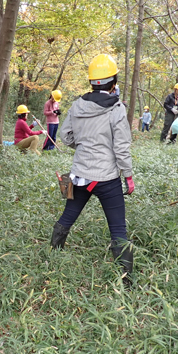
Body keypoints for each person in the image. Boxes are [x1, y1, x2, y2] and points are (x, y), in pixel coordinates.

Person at [51, 54, 134, 287]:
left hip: (80, 175)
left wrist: (83, 145)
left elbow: (65, 135)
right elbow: (122, 147)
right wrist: (128, 176)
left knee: (69, 215)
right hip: (107, 178)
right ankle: (126, 280)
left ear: (92, 82)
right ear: (113, 81)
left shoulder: (77, 105)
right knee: (117, 226)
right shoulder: (117, 109)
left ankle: (53, 254)